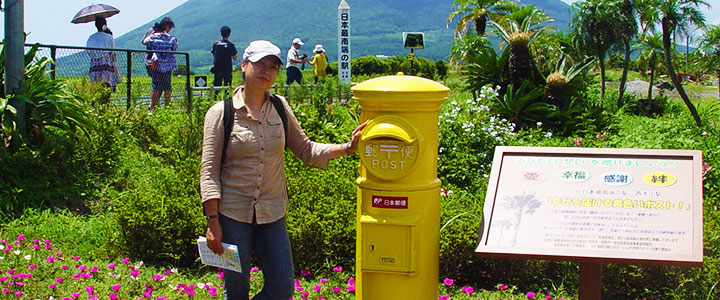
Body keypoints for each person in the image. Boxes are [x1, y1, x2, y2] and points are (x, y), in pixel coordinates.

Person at [200, 40, 366, 300]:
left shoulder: (279, 107)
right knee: (237, 291)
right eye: (259, 64)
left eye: (273, 67)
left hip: (272, 213)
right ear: (244, 65)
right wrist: (212, 222)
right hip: (232, 215)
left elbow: (306, 149)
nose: (266, 71)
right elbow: (208, 171)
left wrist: (347, 147)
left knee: (282, 289)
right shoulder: (221, 113)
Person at [142, 17, 178, 113]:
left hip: (156, 64)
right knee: (167, 86)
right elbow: (174, 48)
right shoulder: (171, 38)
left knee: (156, 86)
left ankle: (152, 108)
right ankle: (167, 107)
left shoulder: (153, 36)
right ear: (165, 27)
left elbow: (144, 42)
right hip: (168, 65)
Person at [86, 16, 117, 102]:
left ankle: (96, 105)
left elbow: (88, 51)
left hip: (94, 64)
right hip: (106, 63)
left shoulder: (91, 37)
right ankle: (106, 105)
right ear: (105, 25)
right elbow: (113, 52)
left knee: (96, 86)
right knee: (107, 85)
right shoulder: (108, 37)